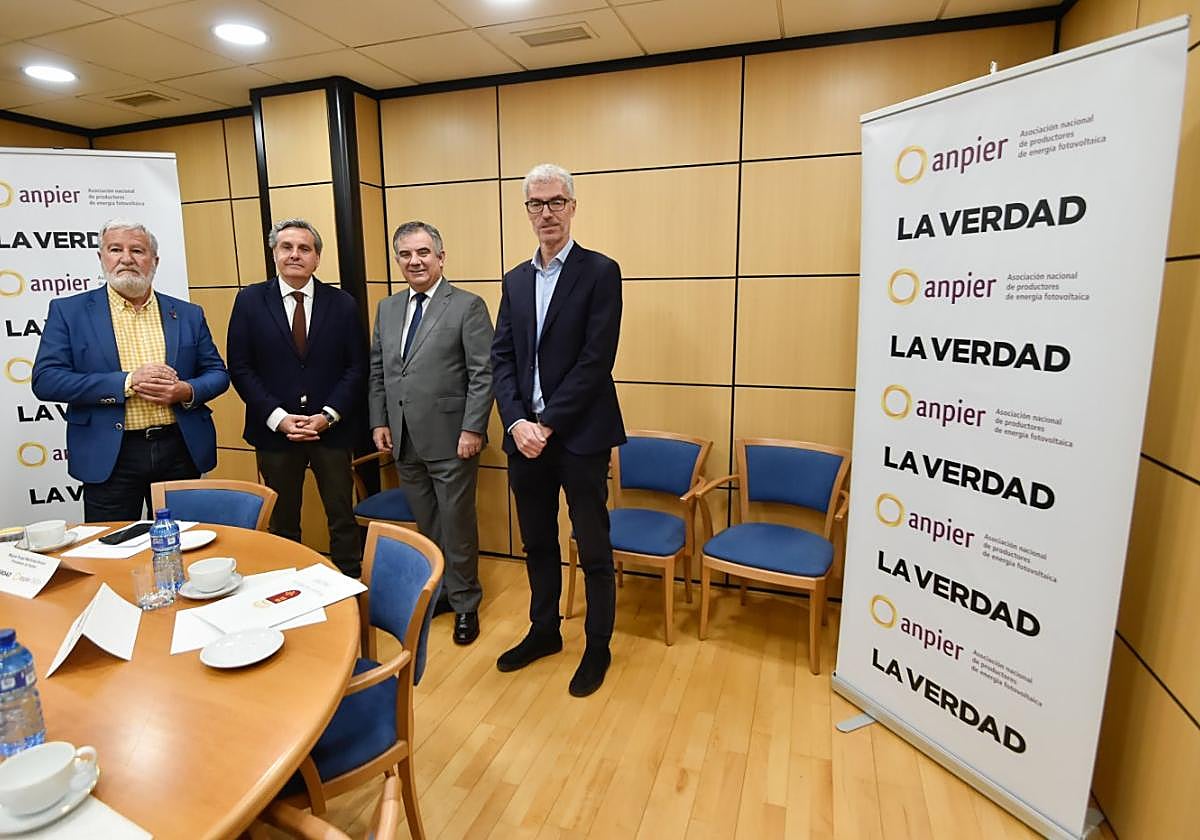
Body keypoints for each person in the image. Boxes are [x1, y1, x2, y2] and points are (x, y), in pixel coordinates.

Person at [490, 163, 626, 697]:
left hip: (580, 435)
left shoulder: (600, 271)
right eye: (536, 203)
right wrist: (517, 421)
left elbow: (596, 361)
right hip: (525, 437)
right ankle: (544, 630)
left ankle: (597, 645)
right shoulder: (515, 280)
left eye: (556, 202)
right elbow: (502, 357)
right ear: (527, 211)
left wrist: (545, 424)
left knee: (592, 545)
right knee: (538, 542)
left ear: (572, 206)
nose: (546, 213)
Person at [32, 219, 229, 522]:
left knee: (183, 539)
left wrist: (186, 391)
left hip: (179, 448)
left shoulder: (187, 313)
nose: (126, 259)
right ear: (101, 258)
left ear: (155, 261)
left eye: (137, 250)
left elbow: (217, 373)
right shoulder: (69, 312)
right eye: (115, 250)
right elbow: (46, 380)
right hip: (110, 454)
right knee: (112, 543)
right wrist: (127, 382)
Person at [369, 221, 494, 645]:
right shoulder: (387, 308)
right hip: (403, 438)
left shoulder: (467, 306)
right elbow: (379, 371)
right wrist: (380, 421)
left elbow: (483, 374)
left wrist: (473, 427)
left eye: (423, 252)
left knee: (457, 524)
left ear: (441, 257)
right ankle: (441, 591)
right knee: (427, 522)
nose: (415, 261)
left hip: (453, 438)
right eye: (405, 254)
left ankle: (466, 602)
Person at [226, 219, 367, 576]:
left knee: (342, 516)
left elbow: (357, 367)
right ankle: (287, 585)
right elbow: (240, 367)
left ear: (317, 257)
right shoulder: (250, 301)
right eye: (286, 247)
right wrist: (278, 417)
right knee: (283, 519)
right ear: (274, 254)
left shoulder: (343, 304)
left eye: (305, 248)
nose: (295, 255)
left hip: (331, 431)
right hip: (275, 433)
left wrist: (328, 415)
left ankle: (350, 583)